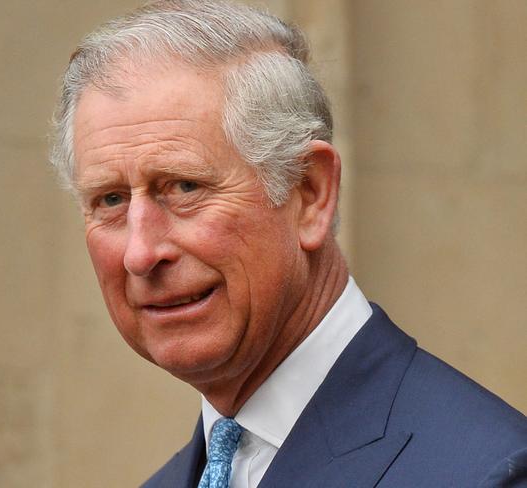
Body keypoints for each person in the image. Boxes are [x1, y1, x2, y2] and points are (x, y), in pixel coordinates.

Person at [50, 1, 527, 486]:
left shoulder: (486, 472)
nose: (140, 253)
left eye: (184, 187)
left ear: (309, 194)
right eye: (110, 199)